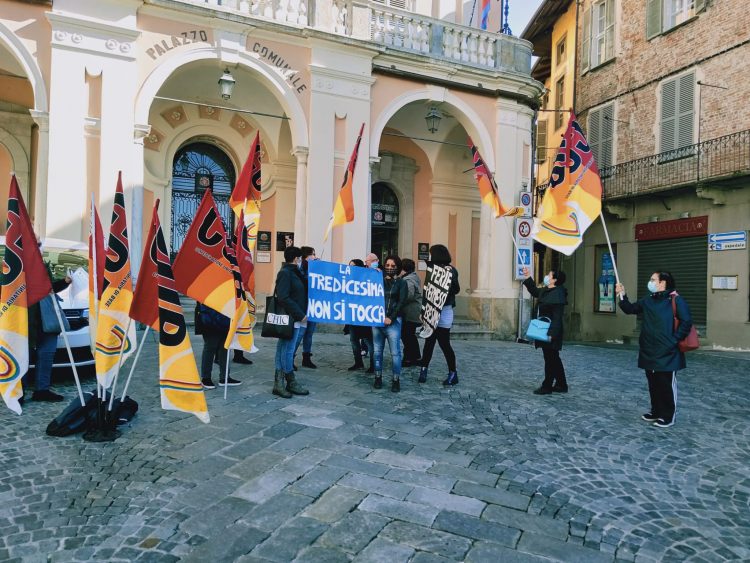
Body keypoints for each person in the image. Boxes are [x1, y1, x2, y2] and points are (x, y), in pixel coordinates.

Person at [616, 272, 693, 428]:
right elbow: (630, 309)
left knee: (666, 384)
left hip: (667, 351)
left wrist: (673, 341)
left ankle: (668, 416)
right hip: (649, 349)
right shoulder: (649, 300)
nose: (649, 282)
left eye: (653, 280)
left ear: (663, 283)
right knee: (653, 383)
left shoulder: (676, 300)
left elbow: (686, 322)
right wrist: (622, 295)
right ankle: (656, 411)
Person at [26, 258, 71, 403]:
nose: (38, 246)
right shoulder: (15, 263)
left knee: (46, 356)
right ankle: (17, 393)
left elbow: (49, 288)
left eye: (39, 244)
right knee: (22, 356)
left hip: (47, 319)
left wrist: (64, 282)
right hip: (24, 321)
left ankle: (42, 391)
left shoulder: (42, 263)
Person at [522, 267, 568, 395]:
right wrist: (527, 276)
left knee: (550, 359)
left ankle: (547, 386)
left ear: (554, 280)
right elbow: (535, 291)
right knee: (554, 358)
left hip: (551, 332)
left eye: (549, 275)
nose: (546, 276)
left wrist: (551, 334)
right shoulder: (548, 290)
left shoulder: (558, 294)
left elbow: (557, 318)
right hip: (544, 330)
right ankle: (561, 384)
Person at [419, 245, 460, 386]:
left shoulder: (451, 270)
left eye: (431, 254)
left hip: (445, 311)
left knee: (444, 343)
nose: (429, 256)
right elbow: (427, 291)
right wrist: (424, 311)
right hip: (431, 310)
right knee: (429, 342)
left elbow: (456, 289)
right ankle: (423, 369)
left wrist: (448, 279)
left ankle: (453, 373)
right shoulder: (431, 270)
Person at [272, 246, 309, 398]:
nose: (301, 261)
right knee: (286, 349)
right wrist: (299, 314)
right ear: (296, 259)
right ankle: (283, 381)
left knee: (286, 349)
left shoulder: (296, 273)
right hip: (290, 318)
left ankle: (285, 381)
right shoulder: (286, 273)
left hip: (296, 318)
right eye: (300, 259)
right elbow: (283, 297)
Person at [373, 255, 407, 392]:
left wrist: (391, 318)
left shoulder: (401, 283)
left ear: (397, 267)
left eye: (393, 266)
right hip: (377, 321)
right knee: (377, 352)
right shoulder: (378, 280)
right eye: (387, 265)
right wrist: (372, 274)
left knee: (395, 353)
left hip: (393, 322)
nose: (389, 268)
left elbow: (401, 302)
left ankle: (395, 379)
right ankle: (377, 377)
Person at [197, 303, 241, 389]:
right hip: (210, 317)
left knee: (225, 348)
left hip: (225, 316)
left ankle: (224, 377)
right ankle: (206, 378)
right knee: (210, 347)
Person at [345, 258, 374, 373]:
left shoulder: (367, 279)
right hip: (352, 315)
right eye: (349, 266)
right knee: (354, 340)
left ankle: (373, 365)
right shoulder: (347, 280)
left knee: (368, 341)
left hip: (364, 315)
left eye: (353, 266)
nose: (350, 268)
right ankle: (358, 363)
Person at [294, 246, 318, 369]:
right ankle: (291, 357)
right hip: (303, 306)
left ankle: (306, 357)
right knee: (300, 333)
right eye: (312, 254)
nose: (314, 256)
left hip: (313, 306)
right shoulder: (300, 269)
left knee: (309, 333)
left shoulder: (315, 268)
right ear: (305, 257)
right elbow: (305, 282)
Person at [399, 258, 422, 367]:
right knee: (410, 335)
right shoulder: (414, 276)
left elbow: (408, 295)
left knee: (406, 335)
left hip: (410, 313)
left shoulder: (408, 280)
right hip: (413, 311)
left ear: (403, 269)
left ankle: (408, 358)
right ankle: (416, 357)